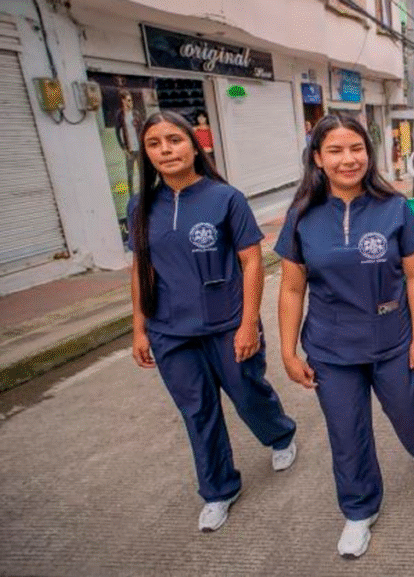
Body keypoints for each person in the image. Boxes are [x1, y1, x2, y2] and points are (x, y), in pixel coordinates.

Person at [276, 114, 414, 559]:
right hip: (331, 347)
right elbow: (292, 288)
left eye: (356, 149)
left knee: (407, 409)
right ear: (317, 158)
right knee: (346, 433)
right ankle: (358, 511)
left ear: (369, 154)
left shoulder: (394, 207)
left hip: (392, 338)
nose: (348, 159)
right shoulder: (301, 216)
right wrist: (288, 352)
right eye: (335, 150)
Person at [127, 111, 297, 533]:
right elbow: (140, 268)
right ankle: (219, 490)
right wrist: (139, 326)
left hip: (225, 323)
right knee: (197, 411)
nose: (165, 150)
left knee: (247, 393)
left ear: (193, 145)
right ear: (145, 154)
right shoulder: (140, 206)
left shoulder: (226, 198)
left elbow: (252, 260)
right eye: (154, 144)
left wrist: (247, 323)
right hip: (170, 330)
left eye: (174, 140)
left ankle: (279, 435)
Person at [115, 89, 145, 196]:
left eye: (130, 100)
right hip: (129, 149)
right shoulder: (120, 115)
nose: (129, 103)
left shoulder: (136, 113)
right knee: (130, 173)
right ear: (122, 101)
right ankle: (131, 194)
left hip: (139, 148)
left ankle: (143, 192)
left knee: (142, 172)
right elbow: (117, 133)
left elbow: (142, 130)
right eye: (127, 100)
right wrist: (123, 148)